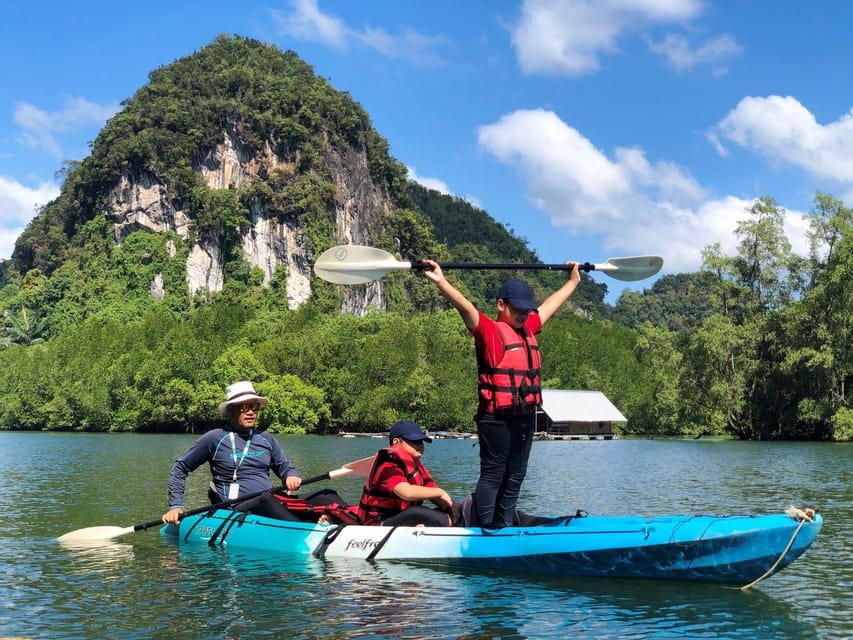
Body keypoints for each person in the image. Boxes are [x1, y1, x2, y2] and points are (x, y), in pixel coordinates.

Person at [422, 261, 580, 526]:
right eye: (517, 309)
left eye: (525, 310)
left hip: (525, 416)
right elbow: (465, 307)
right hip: (495, 418)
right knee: (494, 474)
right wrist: (440, 281)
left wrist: (572, 282)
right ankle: (485, 526)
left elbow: (549, 306)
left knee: (517, 473)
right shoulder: (489, 331)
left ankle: (504, 525)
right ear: (501, 305)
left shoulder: (528, 327)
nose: (523, 315)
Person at [161, 380, 303, 525]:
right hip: (234, 508)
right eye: (244, 407)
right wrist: (175, 506)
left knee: (324, 495)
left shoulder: (266, 438)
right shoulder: (214, 438)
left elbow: (285, 467)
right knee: (265, 498)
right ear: (231, 410)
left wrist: (291, 476)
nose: (250, 412)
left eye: (254, 407)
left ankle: (318, 524)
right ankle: (303, 530)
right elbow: (181, 467)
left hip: (271, 502)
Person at [356, 420, 456, 527]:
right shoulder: (388, 464)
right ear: (396, 442)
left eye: (421, 442)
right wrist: (440, 492)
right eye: (414, 441)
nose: (420, 445)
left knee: (457, 508)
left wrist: (450, 506)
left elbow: (430, 488)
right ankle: (449, 525)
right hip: (378, 523)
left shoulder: (416, 465)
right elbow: (406, 492)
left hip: (401, 517)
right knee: (417, 513)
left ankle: (458, 523)